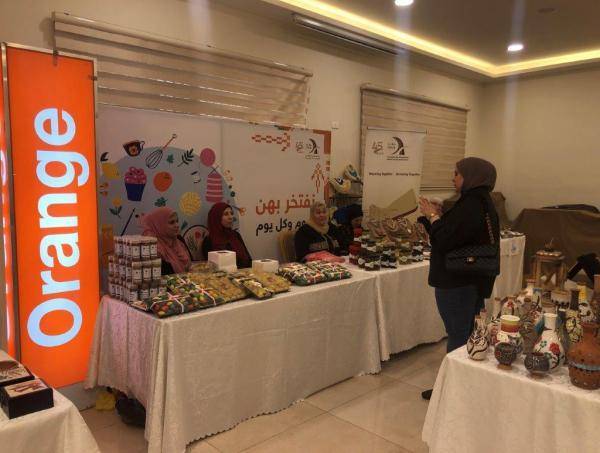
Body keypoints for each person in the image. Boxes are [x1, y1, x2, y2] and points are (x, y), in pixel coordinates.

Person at [418, 157, 500, 400]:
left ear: (471, 176)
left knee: (458, 333)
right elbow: (460, 234)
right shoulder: (480, 201)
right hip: (471, 279)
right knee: (468, 331)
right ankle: (466, 385)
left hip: (457, 282)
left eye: (456, 173)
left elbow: (444, 239)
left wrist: (433, 217)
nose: (452, 178)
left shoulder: (471, 204)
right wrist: (439, 216)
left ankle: (453, 391)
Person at [141, 207, 192, 275]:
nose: (177, 225)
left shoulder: (179, 241)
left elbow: (192, 266)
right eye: (171, 222)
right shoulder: (154, 248)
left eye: (177, 221)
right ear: (159, 225)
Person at [203, 202, 252, 268]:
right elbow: (212, 268)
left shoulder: (235, 235)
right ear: (216, 217)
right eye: (226, 214)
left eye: (231, 213)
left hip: (247, 273)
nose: (231, 217)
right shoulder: (209, 241)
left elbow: (249, 259)